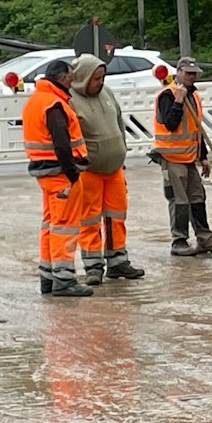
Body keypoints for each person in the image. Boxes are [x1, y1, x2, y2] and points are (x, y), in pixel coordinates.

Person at [67, 53, 145, 286]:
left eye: (102, 77)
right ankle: (93, 266)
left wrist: (122, 155)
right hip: (89, 171)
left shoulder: (107, 93)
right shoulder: (71, 101)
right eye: (96, 78)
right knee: (90, 219)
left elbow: (119, 123)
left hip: (114, 170)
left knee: (117, 216)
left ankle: (118, 261)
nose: (100, 82)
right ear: (83, 77)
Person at [22, 60, 91, 296]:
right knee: (65, 227)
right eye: (71, 78)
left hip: (46, 173)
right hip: (61, 174)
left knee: (50, 225)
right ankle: (64, 280)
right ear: (62, 78)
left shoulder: (37, 100)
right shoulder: (54, 104)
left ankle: (48, 277)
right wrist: (72, 173)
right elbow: (62, 143)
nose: (73, 82)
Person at [154, 57, 212, 257]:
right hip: (172, 158)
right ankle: (179, 241)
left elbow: (197, 130)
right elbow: (170, 124)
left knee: (198, 197)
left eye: (194, 73)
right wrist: (178, 101)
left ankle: (205, 239)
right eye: (188, 73)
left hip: (189, 157)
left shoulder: (194, 95)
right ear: (178, 72)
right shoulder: (168, 95)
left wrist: (203, 156)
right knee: (179, 200)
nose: (191, 76)